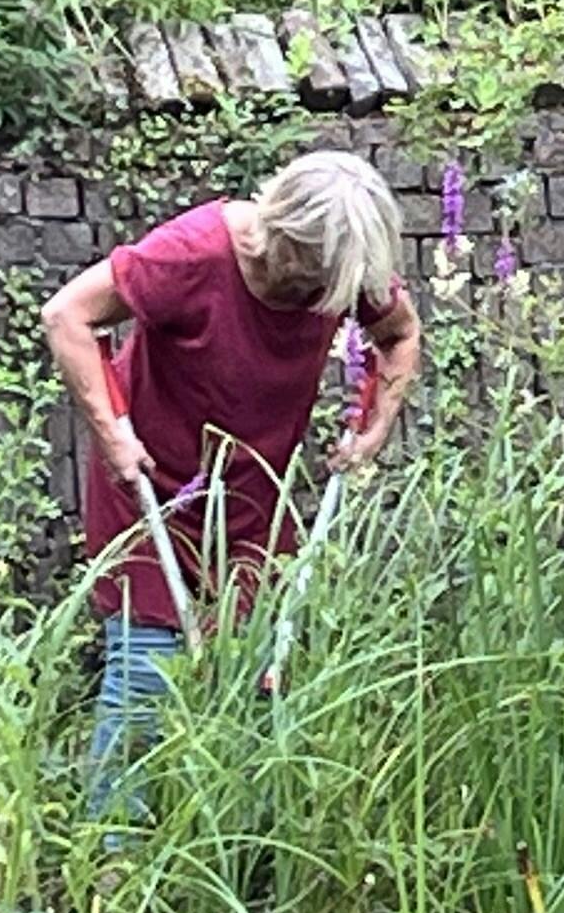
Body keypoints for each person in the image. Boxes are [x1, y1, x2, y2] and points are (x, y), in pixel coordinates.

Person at [42, 149, 422, 751]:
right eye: (320, 280)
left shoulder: (336, 271)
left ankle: (230, 839)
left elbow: (398, 333)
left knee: (253, 681)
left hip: (254, 508)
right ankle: (114, 842)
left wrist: (374, 427)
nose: (327, 298)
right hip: (151, 496)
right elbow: (67, 315)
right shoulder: (193, 254)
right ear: (288, 242)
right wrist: (113, 435)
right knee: (146, 678)